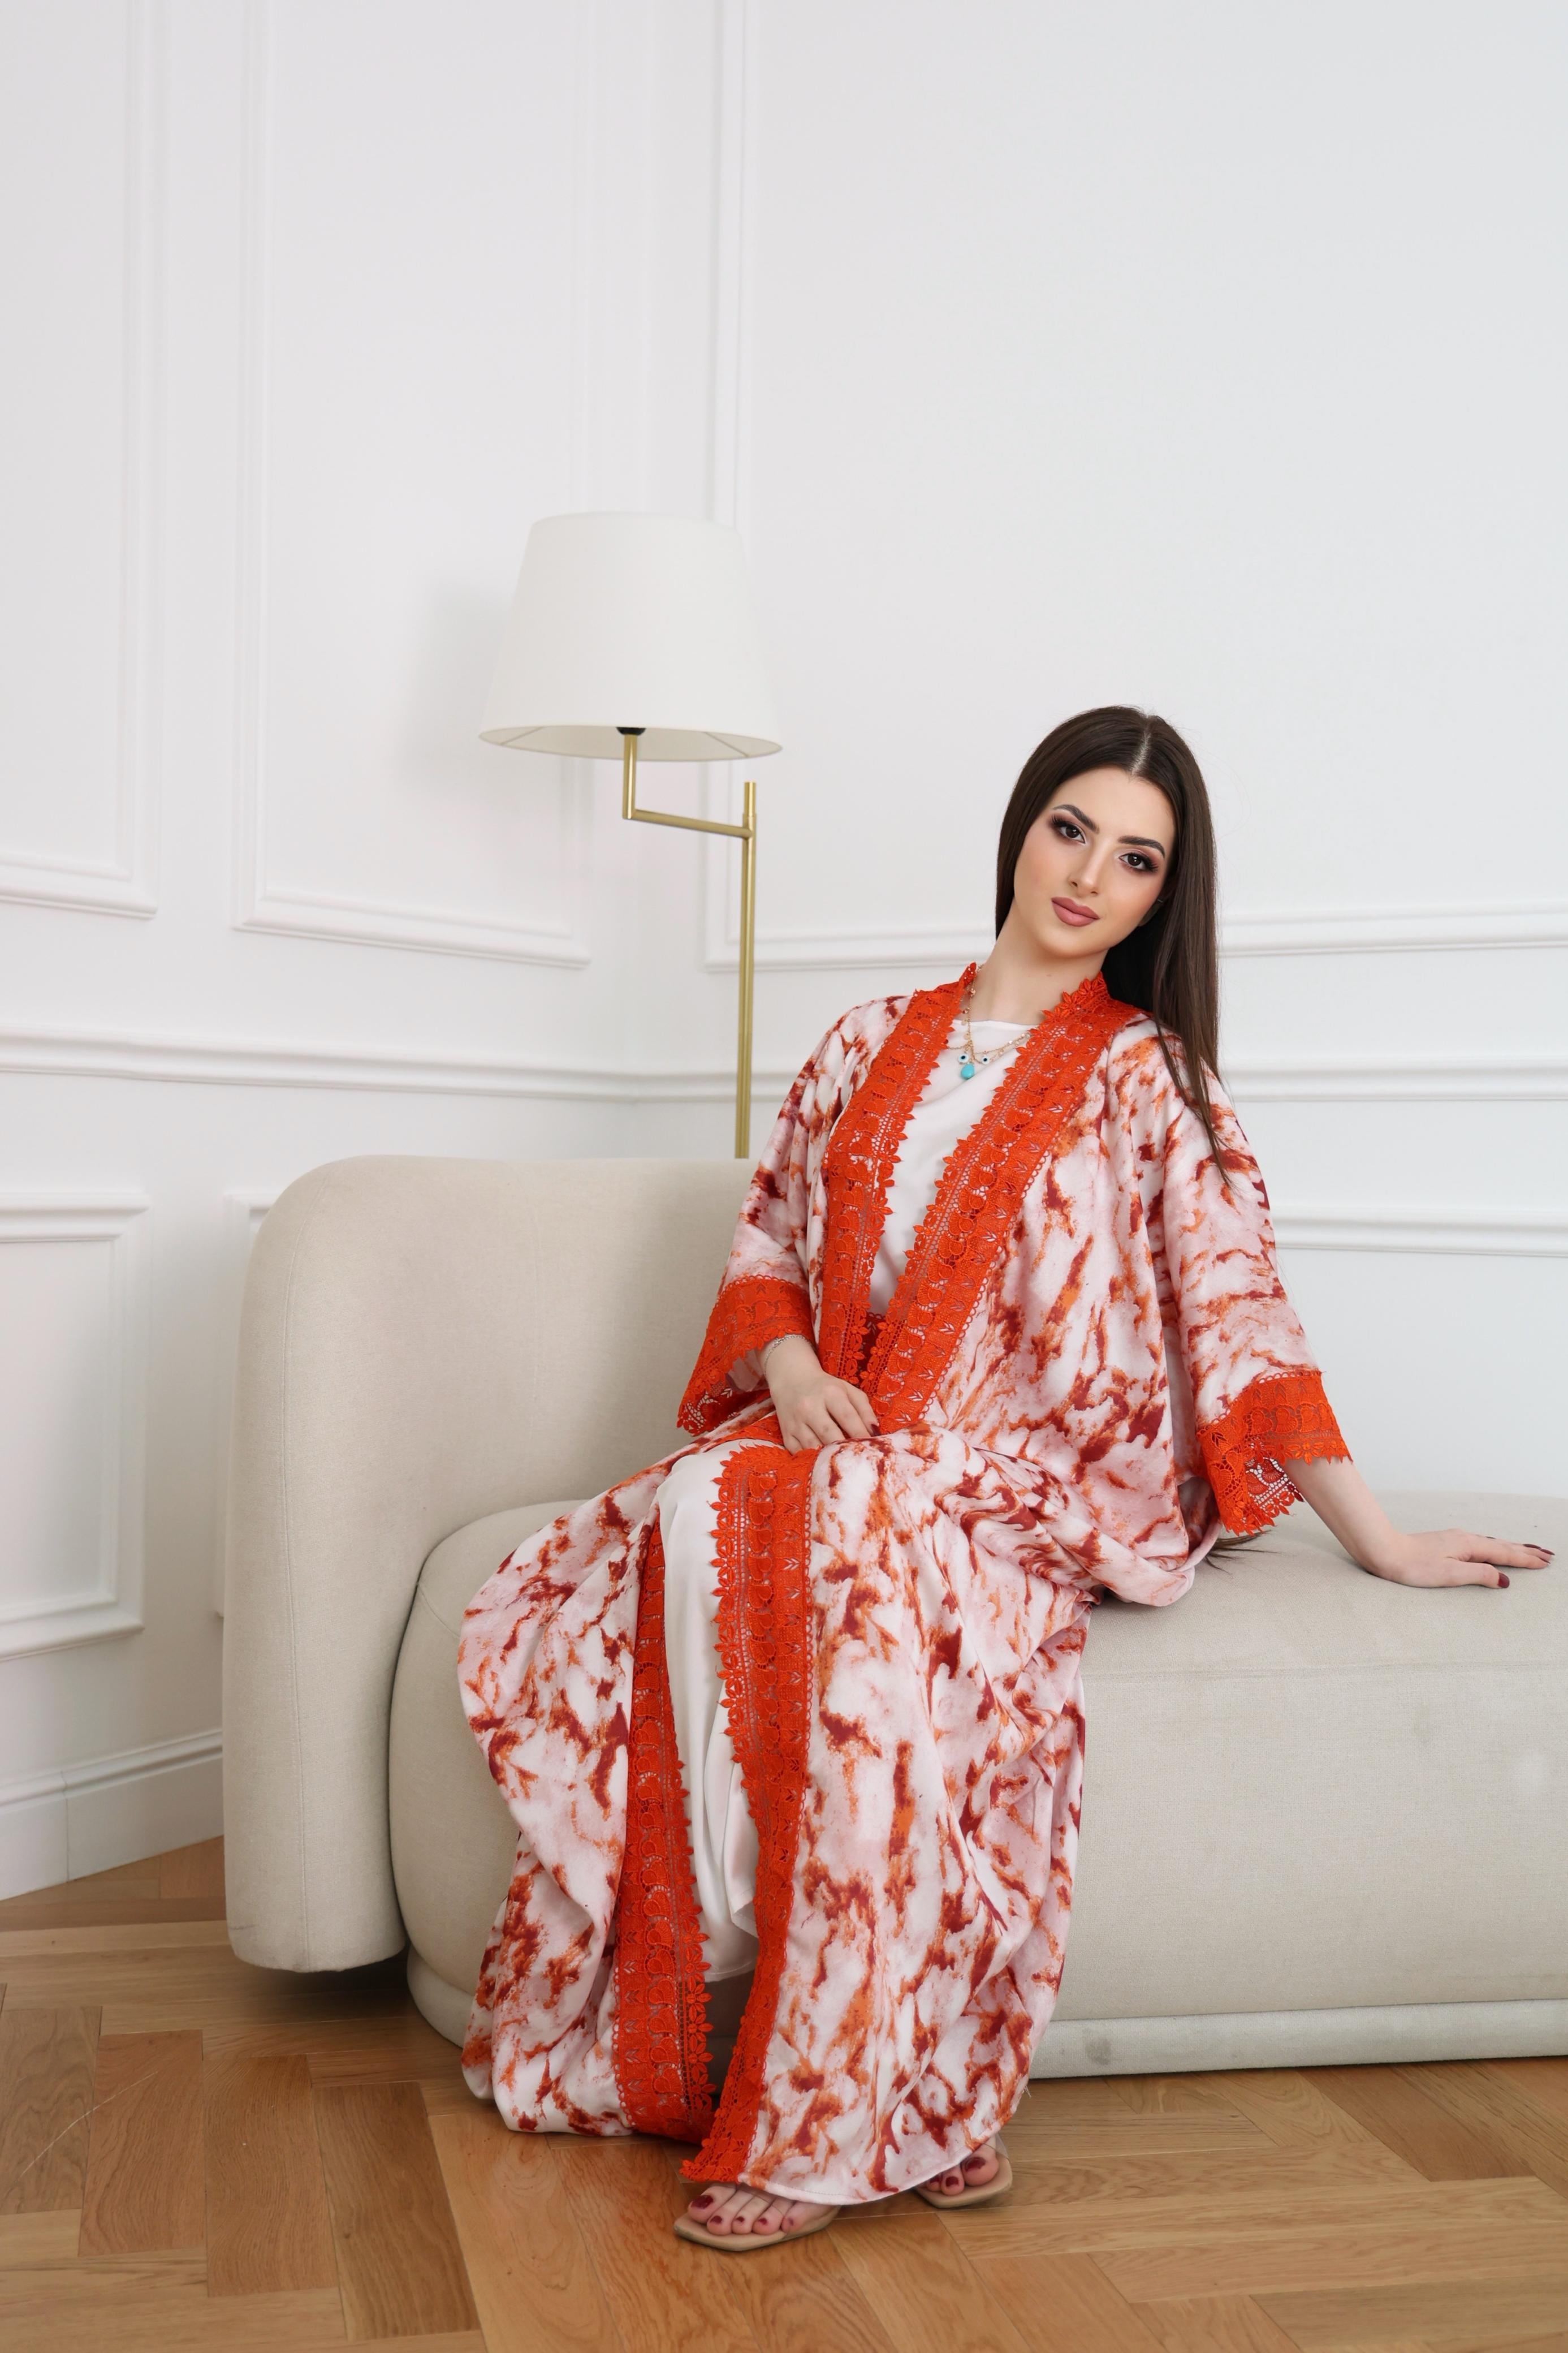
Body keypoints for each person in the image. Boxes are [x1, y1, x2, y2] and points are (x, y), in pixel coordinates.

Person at [456, 705, 1550, 2252]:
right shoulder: (861, 1042)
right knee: (704, 1504)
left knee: (854, 1527)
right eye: (1071, 829)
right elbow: (766, 1245)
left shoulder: (1146, 1080)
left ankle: (839, 2107)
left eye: (1138, 858)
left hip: (1027, 1477)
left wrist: (1377, 1537)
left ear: (1167, 896)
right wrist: (789, 1372)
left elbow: (1242, 1319)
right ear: (1022, 827)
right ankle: (778, 2029)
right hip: (834, 1434)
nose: (1092, 873)